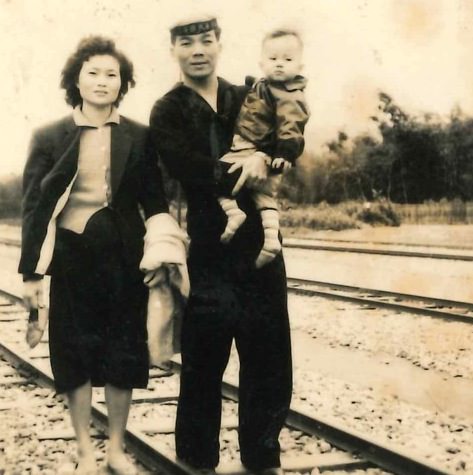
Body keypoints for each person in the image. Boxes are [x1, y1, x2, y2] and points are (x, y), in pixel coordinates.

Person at [19, 36, 171, 475]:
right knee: (75, 356)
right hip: (72, 261)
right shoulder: (50, 136)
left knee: (124, 354)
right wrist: (32, 275)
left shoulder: (139, 136)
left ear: (123, 83)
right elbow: (34, 208)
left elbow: (155, 201)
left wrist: (163, 249)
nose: (103, 81)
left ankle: (117, 450)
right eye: (93, 73)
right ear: (76, 79)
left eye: (112, 74)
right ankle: (86, 450)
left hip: (126, 261)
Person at [149, 16, 292, 473]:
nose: (198, 50)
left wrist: (266, 157)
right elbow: (187, 166)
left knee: (269, 353)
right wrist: (243, 167)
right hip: (208, 243)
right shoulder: (167, 110)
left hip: (260, 242)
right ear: (174, 50)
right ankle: (197, 459)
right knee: (204, 357)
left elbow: (285, 139)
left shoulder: (249, 93)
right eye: (187, 43)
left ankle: (263, 455)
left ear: (219, 45)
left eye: (206, 40)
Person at [218, 29, 309, 268]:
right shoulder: (265, 86)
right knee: (264, 196)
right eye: (273, 58)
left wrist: (284, 152)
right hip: (253, 147)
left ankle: (232, 212)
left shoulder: (290, 95)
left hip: (253, 147)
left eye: (287, 59)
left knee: (220, 174)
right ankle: (270, 240)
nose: (279, 64)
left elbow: (292, 125)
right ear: (262, 63)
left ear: (300, 66)